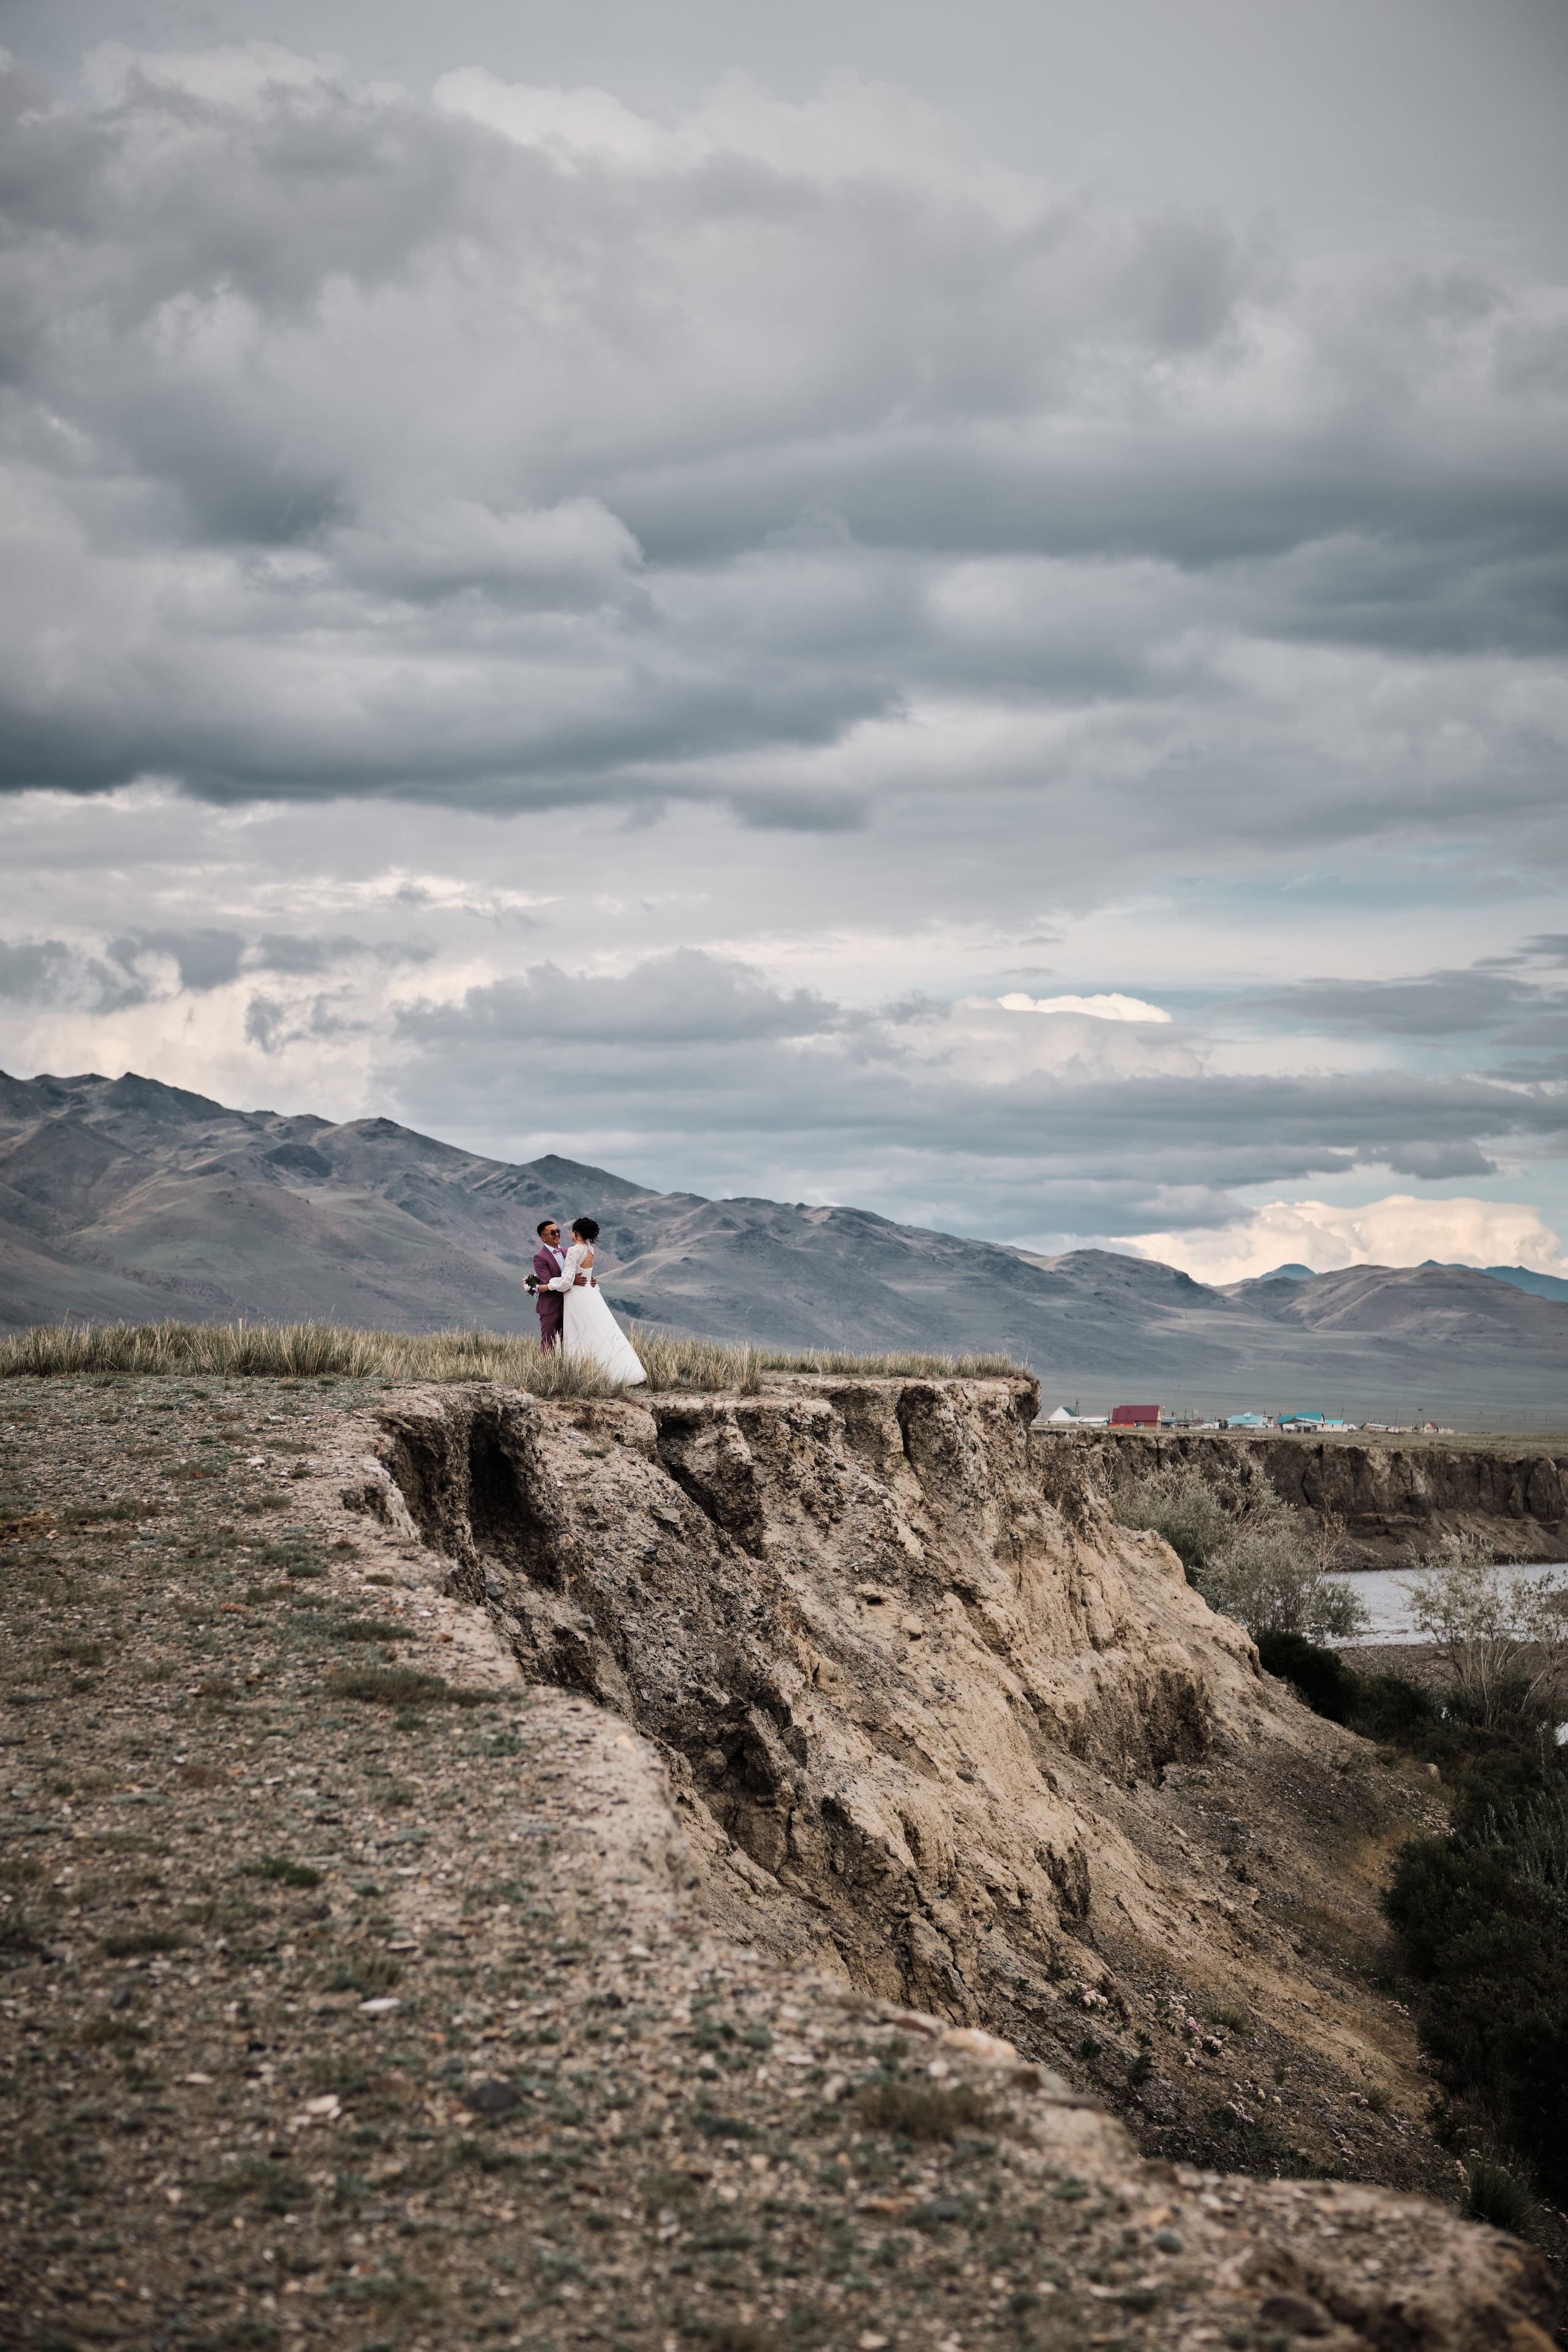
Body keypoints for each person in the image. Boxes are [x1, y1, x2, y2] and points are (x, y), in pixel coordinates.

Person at [559, 1216, 646, 1385]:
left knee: (580, 1332)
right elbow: (586, 1274)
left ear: (575, 1232)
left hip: (576, 1295)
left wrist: (547, 1286)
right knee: (598, 1331)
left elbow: (566, 1281)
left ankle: (583, 1373)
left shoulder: (574, 1250)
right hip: (590, 1294)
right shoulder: (591, 1250)